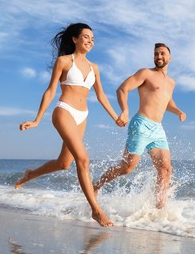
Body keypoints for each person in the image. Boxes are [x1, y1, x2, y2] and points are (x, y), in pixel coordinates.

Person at [16, 23, 125, 227]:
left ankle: (29, 175)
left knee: (63, 163)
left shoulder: (95, 68)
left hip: (82, 116)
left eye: (92, 38)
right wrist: (37, 119)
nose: (90, 41)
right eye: (85, 37)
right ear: (75, 39)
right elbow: (50, 91)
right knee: (83, 160)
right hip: (64, 111)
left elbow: (101, 95)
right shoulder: (64, 61)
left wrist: (115, 117)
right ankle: (96, 210)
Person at [94, 43, 186, 209]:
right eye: (156, 54)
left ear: (170, 58)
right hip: (141, 124)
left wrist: (178, 111)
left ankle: (160, 209)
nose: (159, 57)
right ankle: (96, 185)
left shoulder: (171, 83)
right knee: (127, 167)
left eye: (162, 54)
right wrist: (125, 111)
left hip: (158, 129)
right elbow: (122, 89)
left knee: (165, 169)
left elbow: (166, 101)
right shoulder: (146, 73)